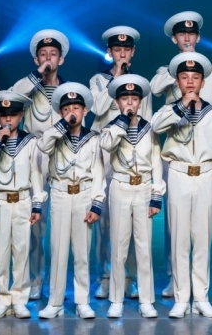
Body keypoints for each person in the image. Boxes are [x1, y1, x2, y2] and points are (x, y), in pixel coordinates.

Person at [151, 52, 212, 318]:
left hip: (205, 176)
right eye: (184, 78)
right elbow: (155, 127)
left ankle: (201, 298)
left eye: (195, 78)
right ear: (178, 82)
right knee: (180, 239)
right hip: (178, 175)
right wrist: (180, 106)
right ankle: (181, 298)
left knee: (202, 238)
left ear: (203, 82)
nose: (191, 82)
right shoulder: (169, 110)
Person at [150, 11, 212, 297]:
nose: (187, 38)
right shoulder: (167, 71)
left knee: (201, 230)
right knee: (174, 225)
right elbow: (154, 90)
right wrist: (176, 71)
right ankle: (174, 278)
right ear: (174, 39)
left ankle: (199, 288)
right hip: (175, 151)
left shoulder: (210, 71)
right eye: (182, 34)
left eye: (191, 34)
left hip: (202, 151)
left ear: (198, 37)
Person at [89, 26, 151, 299]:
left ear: (133, 52)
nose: (122, 54)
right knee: (105, 222)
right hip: (105, 154)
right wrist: (115, 78)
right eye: (117, 50)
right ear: (110, 52)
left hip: (132, 157)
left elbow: (147, 122)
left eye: (126, 50)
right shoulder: (98, 80)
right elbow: (97, 109)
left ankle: (130, 278)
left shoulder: (141, 84)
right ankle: (105, 277)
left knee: (135, 223)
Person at [0, 91, 47, 319]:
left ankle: (19, 299)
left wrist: (37, 204)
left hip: (23, 200)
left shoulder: (30, 142)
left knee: (22, 251)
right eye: (3, 115)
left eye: (13, 115)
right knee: (0, 251)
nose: (8, 119)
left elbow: (36, 174)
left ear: (21, 116)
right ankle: (2, 298)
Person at [10, 29, 70, 300]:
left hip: (62, 157)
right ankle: (34, 280)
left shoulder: (69, 90)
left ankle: (57, 284)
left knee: (60, 226)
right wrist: (37, 75)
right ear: (36, 60)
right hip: (34, 157)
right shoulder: (28, 87)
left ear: (61, 59)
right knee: (33, 224)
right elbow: (12, 96)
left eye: (53, 54)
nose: (48, 59)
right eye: (43, 55)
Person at [37, 83, 105, 319]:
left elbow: (98, 172)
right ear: (60, 112)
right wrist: (61, 125)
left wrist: (96, 203)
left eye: (76, 108)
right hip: (60, 194)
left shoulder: (93, 138)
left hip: (84, 194)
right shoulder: (54, 136)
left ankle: (82, 301)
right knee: (58, 250)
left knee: (82, 251)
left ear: (85, 111)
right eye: (67, 109)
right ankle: (55, 302)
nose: (72, 112)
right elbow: (42, 147)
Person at [100, 74, 165, 318]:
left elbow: (156, 161)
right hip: (120, 187)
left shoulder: (149, 128)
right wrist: (121, 122)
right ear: (117, 102)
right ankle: (116, 299)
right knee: (118, 246)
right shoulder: (111, 128)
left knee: (144, 247)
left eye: (134, 99)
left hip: (143, 189)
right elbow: (107, 146)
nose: (130, 103)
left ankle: (146, 300)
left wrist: (156, 194)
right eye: (125, 99)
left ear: (140, 102)